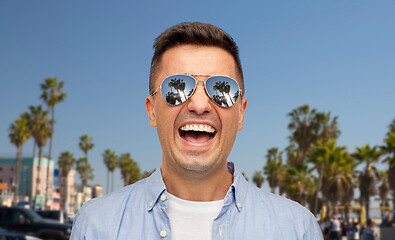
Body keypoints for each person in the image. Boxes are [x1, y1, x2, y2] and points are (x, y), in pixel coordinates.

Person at [70, 22, 323, 240]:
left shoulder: (297, 229)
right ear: (152, 111)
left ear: (241, 113)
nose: (199, 105)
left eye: (222, 89)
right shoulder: (95, 226)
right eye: (176, 88)